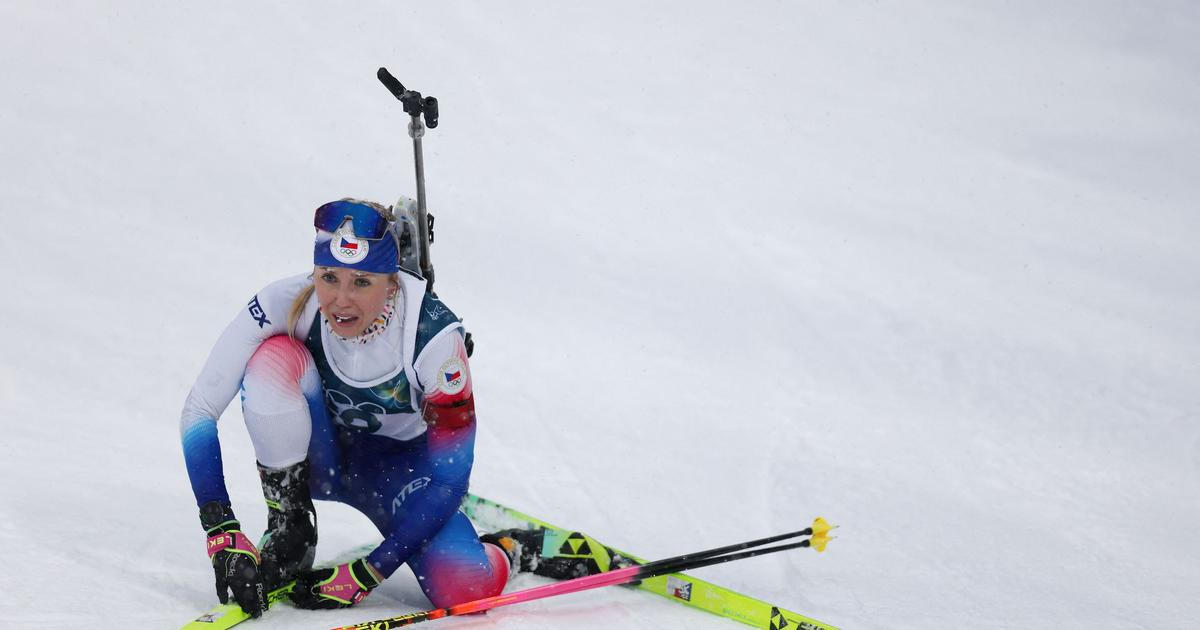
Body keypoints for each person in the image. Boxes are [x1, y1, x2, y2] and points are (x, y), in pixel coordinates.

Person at [179, 198, 513, 616]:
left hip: (402, 474)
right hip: (323, 459)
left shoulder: (433, 339)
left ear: (392, 282)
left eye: (362, 282)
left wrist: (368, 573)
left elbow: (450, 482)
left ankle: (511, 548)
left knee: (467, 589)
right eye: (329, 277)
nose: (340, 300)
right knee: (271, 359)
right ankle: (291, 523)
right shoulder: (286, 300)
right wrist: (222, 533)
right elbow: (199, 410)